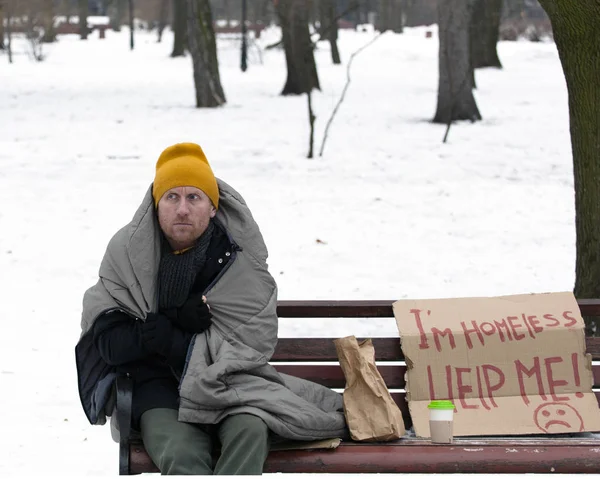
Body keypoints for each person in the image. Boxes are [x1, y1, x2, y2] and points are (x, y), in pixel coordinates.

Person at [75, 142, 347, 476]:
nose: (183, 209)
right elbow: (111, 345)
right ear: (156, 206)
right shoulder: (126, 255)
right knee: (180, 452)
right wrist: (166, 326)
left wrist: (176, 342)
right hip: (156, 389)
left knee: (249, 431)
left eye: (194, 198)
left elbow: (252, 345)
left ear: (213, 207)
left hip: (232, 387)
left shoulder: (239, 262)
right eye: (172, 197)